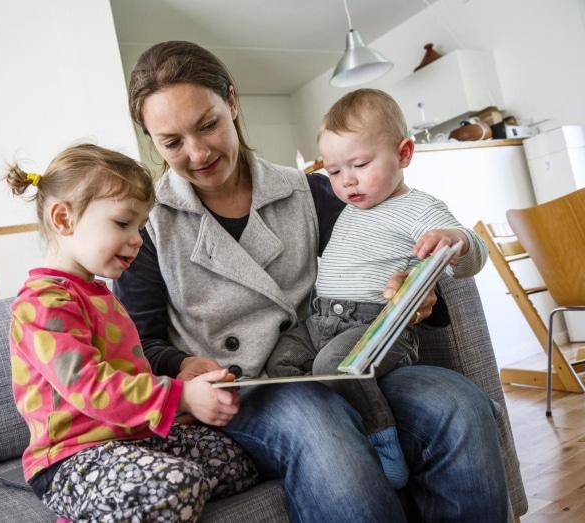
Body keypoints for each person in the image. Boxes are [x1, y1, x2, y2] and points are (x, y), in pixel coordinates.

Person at [113, 40, 509, 522]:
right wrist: (181, 363)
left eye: (208, 124)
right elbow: (135, 343)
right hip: (249, 390)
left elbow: (377, 256)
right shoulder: (147, 225)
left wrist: (416, 296)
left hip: (342, 361)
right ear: (151, 141)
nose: (197, 153)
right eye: (172, 142)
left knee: (460, 406)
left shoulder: (312, 190)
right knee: (323, 428)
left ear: (232, 103)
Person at [5, 142, 257, 522]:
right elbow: (91, 388)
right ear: (63, 219)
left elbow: (127, 379)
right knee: (177, 485)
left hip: (127, 441)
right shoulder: (43, 305)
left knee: (238, 462)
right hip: (70, 460)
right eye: (123, 223)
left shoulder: (100, 294)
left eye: (140, 226)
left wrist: (181, 385)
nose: (138, 238)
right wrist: (180, 397)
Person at [265, 88, 489, 490]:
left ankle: (382, 442)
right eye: (333, 171)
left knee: (332, 365)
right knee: (280, 361)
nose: (347, 181)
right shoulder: (350, 208)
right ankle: (335, 432)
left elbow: (474, 258)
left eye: (360, 164)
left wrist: (455, 240)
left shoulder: (418, 208)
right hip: (321, 320)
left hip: (379, 324)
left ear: (404, 154)